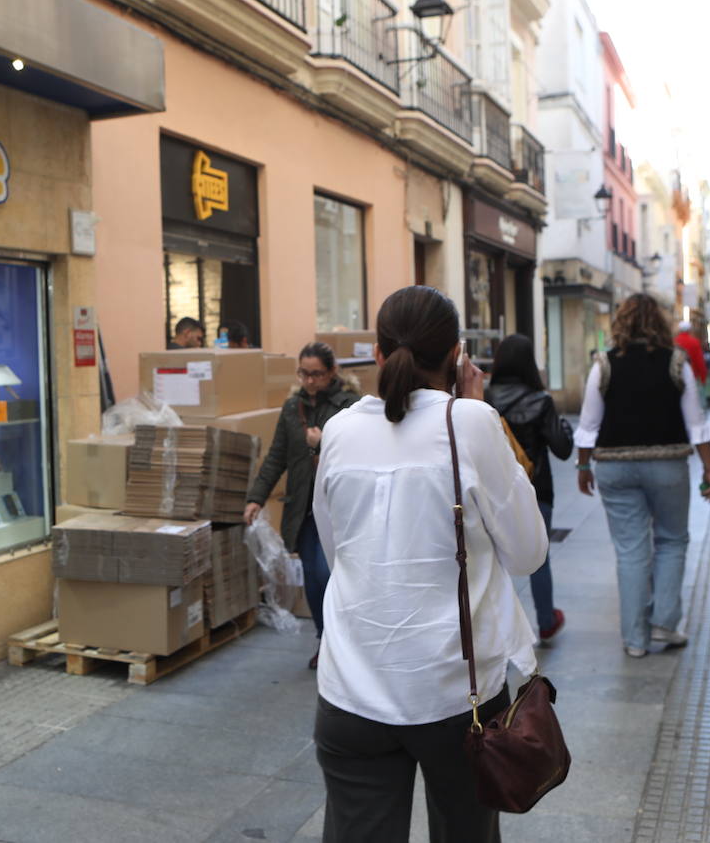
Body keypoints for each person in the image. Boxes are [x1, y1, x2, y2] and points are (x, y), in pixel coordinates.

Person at [311, 286, 547, 842]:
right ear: (458, 355)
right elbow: (528, 553)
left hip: (351, 687)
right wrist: (476, 405)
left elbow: (334, 548)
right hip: (457, 695)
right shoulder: (471, 423)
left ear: (376, 352)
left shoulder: (340, 430)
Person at [576, 294, 710, 659]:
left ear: (621, 322)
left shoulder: (603, 364)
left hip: (614, 467)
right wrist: (709, 469)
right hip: (668, 465)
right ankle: (665, 624)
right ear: (659, 322)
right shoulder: (677, 362)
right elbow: (696, 423)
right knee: (671, 541)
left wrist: (582, 466)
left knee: (630, 551)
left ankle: (635, 640)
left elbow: (588, 424)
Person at [245, 342, 360, 668]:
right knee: (312, 576)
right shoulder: (291, 407)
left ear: (332, 372)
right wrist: (256, 497)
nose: (310, 381)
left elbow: (361, 450)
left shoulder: (351, 406)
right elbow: (276, 455)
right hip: (304, 509)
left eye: (317, 374)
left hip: (340, 508)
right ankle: (325, 640)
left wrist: (322, 442)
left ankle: (344, 644)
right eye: (304, 374)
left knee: (329, 575)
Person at [485, 333, 573, 644]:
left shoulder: (484, 398)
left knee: (493, 559)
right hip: (537, 491)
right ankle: (546, 621)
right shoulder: (541, 400)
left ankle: (501, 630)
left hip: (494, 493)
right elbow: (562, 449)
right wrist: (564, 427)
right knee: (539, 556)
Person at [674, 320, 707, 385]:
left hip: (677, 375)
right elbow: (699, 360)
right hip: (692, 375)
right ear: (689, 330)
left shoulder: (674, 341)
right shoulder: (694, 342)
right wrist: (703, 377)